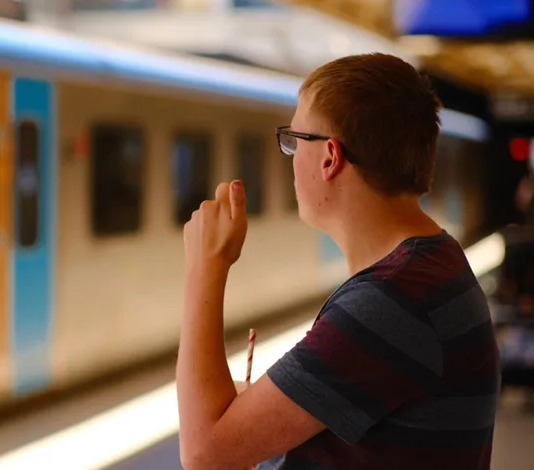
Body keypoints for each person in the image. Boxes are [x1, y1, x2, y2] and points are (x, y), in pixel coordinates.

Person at [177, 53, 500, 470]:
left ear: (330, 157)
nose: (291, 157)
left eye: (294, 140)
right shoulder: (435, 265)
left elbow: (205, 453)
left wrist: (205, 267)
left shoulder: (395, 301)